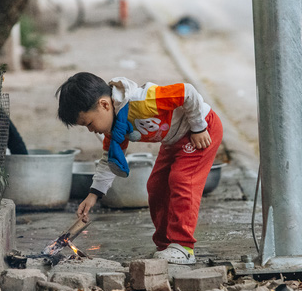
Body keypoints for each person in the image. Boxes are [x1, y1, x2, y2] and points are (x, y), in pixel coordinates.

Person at [56, 72, 223, 265]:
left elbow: (188, 92)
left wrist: (198, 127)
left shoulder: (142, 102)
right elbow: (108, 160)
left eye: (89, 124)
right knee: (156, 186)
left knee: (182, 180)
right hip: (173, 140)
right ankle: (166, 245)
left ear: (104, 104)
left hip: (201, 130)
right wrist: (93, 195)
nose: (91, 130)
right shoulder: (116, 127)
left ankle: (183, 246)